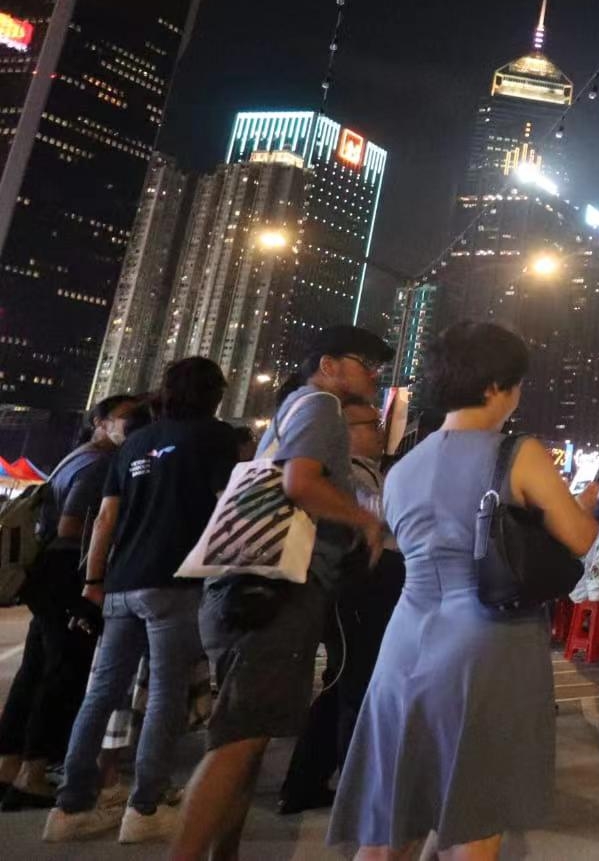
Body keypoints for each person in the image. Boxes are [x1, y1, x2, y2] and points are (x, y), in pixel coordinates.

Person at [328, 321, 597, 860]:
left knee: (393, 811)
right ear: (496, 386)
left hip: (405, 639)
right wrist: (583, 505)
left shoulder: (404, 467)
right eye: (516, 385)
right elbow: (581, 537)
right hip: (488, 641)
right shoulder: (517, 453)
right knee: (476, 809)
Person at [172, 326, 392, 861]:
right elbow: (299, 483)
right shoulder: (320, 404)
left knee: (248, 738)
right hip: (277, 593)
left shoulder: (293, 408)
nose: (374, 375)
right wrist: (365, 520)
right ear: (330, 364)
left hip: (248, 588)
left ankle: (223, 854)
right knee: (238, 742)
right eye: (366, 363)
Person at [44, 363, 237, 845]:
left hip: (121, 583)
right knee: (166, 694)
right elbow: (225, 507)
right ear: (214, 395)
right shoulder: (215, 436)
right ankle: (146, 806)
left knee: (102, 692)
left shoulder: (134, 442)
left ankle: (69, 808)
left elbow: (105, 517)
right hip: (174, 583)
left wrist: (94, 579)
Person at [0, 394, 145, 811]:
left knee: (35, 671)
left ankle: (9, 764)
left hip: (46, 574)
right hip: (68, 573)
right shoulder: (100, 464)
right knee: (64, 674)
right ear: (100, 421)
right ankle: (33, 774)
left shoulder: (74, 457)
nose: (129, 425)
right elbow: (70, 525)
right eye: (123, 417)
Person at [279, 397, 407, 814]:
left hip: (367, 585)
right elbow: (381, 518)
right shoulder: (347, 474)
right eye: (371, 424)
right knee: (355, 685)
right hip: (359, 587)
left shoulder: (367, 471)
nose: (380, 432)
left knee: (344, 684)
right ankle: (356, 791)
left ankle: (308, 782)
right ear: (345, 433)